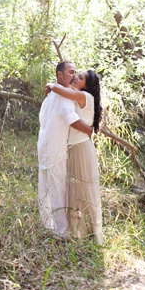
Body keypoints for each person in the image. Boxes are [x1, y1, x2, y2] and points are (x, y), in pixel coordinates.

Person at [45, 69, 104, 245]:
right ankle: (77, 231)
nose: (75, 78)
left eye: (80, 78)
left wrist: (51, 85)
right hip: (74, 146)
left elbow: (61, 90)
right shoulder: (78, 96)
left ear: (87, 85)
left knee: (81, 189)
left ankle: (85, 234)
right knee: (73, 189)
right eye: (76, 75)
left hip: (80, 148)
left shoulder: (84, 96)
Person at [38, 61, 93, 240]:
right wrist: (87, 129)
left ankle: (60, 232)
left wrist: (87, 128)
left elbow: (69, 116)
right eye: (70, 72)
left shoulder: (61, 94)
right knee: (50, 191)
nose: (74, 76)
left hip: (51, 149)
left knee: (54, 191)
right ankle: (53, 229)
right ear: (60, 75)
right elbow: (70, 117)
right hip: (48, 147)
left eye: (76, 73)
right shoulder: (57, 95)